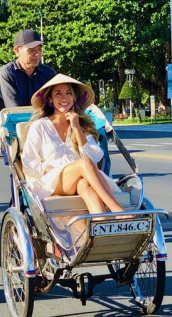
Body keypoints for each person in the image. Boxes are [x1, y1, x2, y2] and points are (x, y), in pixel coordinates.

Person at [21, 74, 125, 217]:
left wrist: (76, 128)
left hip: (76, 179)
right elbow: (28, 163)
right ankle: (118, 210)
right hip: (49, 183)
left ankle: (101, 224)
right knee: (84, 163)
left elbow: (94, 158)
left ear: (74, 98)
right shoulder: (39, 126)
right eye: (58, 93)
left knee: (85, 184)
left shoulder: (81, 125)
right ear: (50, 99)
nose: (64, 98)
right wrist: (48, 169)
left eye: (69, 93)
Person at [0, 29, 57, 110]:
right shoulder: (8, 73)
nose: (37, 54)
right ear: (17, 51)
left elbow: (54, 103)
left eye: (39, 49)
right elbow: (14, 109)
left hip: (43, 120)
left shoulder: (49, 73)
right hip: (15, 121)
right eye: (31, 50)